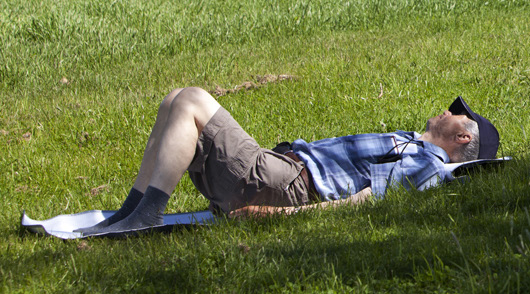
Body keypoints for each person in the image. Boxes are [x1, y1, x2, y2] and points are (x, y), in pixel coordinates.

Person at [79, 86, 500, 236]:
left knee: (191, 99)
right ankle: (132, 211)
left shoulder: (425, 163)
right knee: (175, 100)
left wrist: (273, 216)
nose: (447, 110)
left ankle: (146, 215)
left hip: (285, 182)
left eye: (456, 114)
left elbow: (367, 200)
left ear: (462, 137)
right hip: (276, 169)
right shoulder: (411, 142)